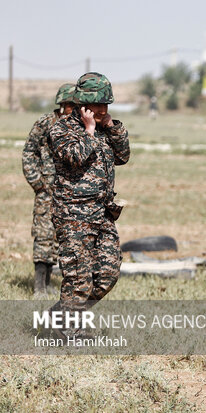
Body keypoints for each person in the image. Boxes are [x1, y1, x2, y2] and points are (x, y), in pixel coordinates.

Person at [48, 72, 130, 337]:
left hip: (102, 213)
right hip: (73, 215)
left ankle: (62, 312)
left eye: (106, 104)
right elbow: (75, 157)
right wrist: (90, 131)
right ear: (83, 103)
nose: (103, 109)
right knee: (78, 276)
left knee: (107, 274)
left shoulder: (105, 127)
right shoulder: (61, 130)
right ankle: (69, 332)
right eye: (97, 105)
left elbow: (123, 156)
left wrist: (112, 126)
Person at [22, 83, 76, 297]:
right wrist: (37, 182)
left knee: (59, 239)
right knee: (44, 235)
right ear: (62, 104)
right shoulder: (45, 123)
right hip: (47, 191)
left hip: (68, 194)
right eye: (72, 105)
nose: (76, 109)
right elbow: (29, 152)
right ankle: (39, 287)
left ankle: (49, 282)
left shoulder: (77, 126)